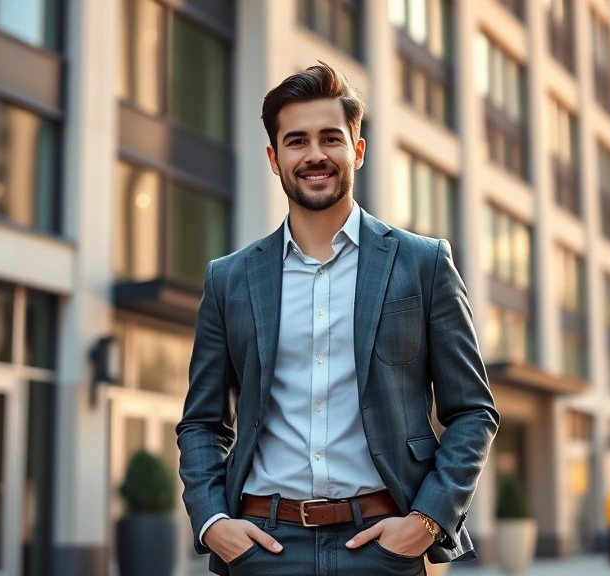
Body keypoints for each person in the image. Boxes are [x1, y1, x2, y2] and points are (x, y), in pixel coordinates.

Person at [176, 62, 500, 576]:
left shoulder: (423, 264)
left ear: (359, 150)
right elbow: (201, 422)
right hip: (265, 548)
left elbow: (473, 411)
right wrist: (213, 520)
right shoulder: (230, 280)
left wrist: (428, 520)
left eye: (331, 138)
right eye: (296, 141)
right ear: (273, 157)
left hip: (382, 545)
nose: (315, 155)